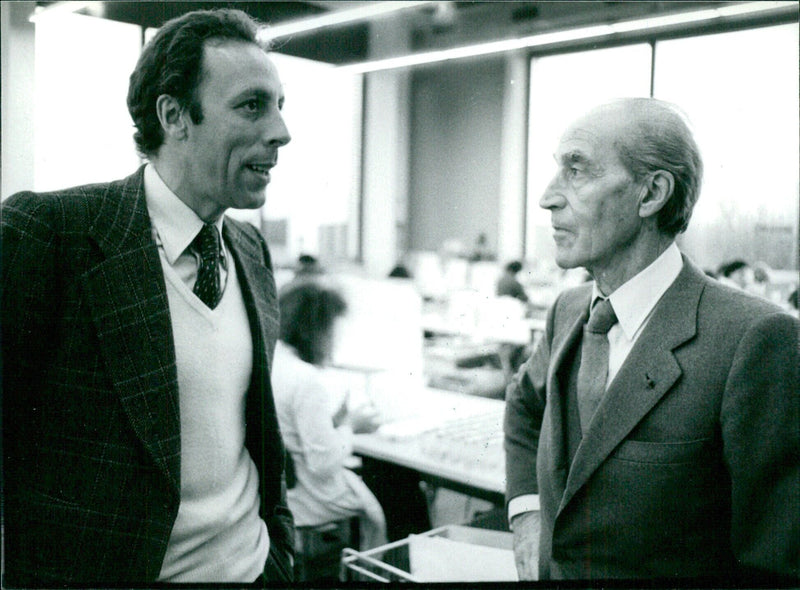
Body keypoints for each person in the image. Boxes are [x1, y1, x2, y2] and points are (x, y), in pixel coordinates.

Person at [2, 9, 295, 586]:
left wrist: (279, 553)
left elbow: (255, 436)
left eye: (281, 106)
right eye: (252, 105)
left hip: (255, 570)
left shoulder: (249, 248)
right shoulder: (50, 236)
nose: (281, 131)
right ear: (174, 116)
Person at [504, 98, 799, 582]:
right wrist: (528, 515)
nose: (547, 197)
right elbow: (523, 406)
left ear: (651, 194)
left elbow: (775, 566)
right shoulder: (569, 311)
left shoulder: (755, 340)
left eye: (576, 171)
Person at [272, 282, 388, 551]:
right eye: (332, 330)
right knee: (397, 490)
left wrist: (332, 423)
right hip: (310, 497)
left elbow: (290, 429)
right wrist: (350, 426)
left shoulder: (274, 361)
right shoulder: (306, 379)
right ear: (316, 330)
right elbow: (322, 463)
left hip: (281, 491)